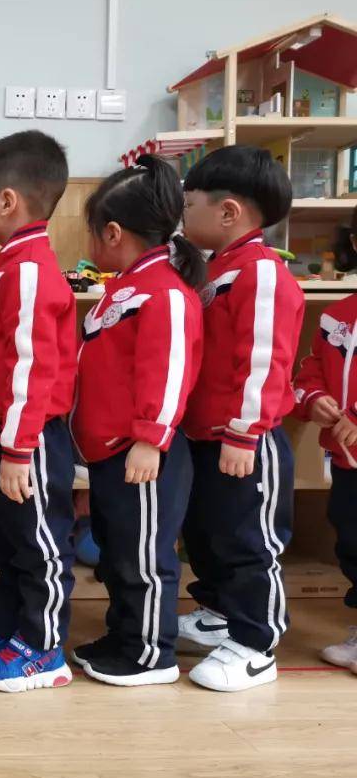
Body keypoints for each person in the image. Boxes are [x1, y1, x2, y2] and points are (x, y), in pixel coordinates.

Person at [0, 131, 78, 693]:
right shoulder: (9, 264)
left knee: (39, 542)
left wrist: (19, 447)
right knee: (9, 542)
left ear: (7, 201)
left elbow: (34, 366)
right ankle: (9, 632)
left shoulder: (27, 270)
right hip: (0, 435)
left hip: (27, 440)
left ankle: (44, 651)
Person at [70, 155, 204, 687]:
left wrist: (150, 439)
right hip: (110, 454)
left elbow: (169, 371)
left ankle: (151, 653)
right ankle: (126, 634)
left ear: (112, 231)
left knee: (145, 558)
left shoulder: (164, 292)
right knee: (119, 552)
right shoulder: (125, 286)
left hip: (142, 455)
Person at [178, 145, 303, 692]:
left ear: (227, 211)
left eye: (188, 205)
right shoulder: (219, 268)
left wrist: (244, 432)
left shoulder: (262, 273)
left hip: (244, 440)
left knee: (249, 540)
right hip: (206, 436)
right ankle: (220, 613)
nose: (183, 216)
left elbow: (264, 360)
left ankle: (257, 642)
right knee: (207, 533)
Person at [293, 204, 357, 672]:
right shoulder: (337, 317)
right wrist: (314, 399)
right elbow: (309, 373)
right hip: (346, 458)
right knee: (351, 540)